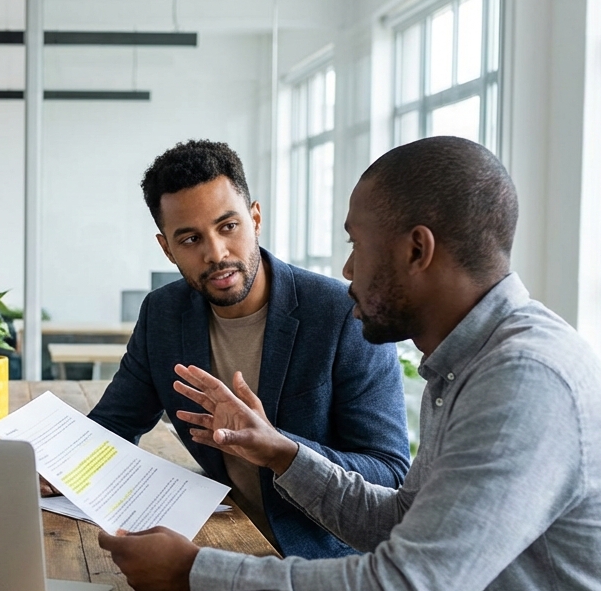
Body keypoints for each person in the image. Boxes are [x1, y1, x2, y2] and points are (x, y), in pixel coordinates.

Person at [98, 136, 601, 591]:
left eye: (358, 243)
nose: (349, 268)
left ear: (416, 249)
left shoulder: (525, 377)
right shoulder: (465, 365)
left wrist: (196, 572)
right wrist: (281, 452)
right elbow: (403, 520)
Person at [77, 139, 410, 563]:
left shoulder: (341, 314)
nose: (216, 253)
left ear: (255, 217)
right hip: (223, 542)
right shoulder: (163, 313)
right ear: (167, 248)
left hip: (326, 563)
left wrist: (277, 446)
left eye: (228, 226)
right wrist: (55, 467)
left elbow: (390, 476)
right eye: (191, 238)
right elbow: (112, 426)